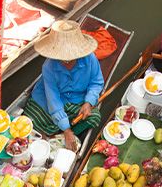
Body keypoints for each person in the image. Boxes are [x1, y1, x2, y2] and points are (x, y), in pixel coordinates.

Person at [23, 20, 104, 151]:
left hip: (76, 99)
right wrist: (66, 129)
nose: (66, 62)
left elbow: (96, 82)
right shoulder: (49, 66)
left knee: (94, 117)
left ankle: (61, 135)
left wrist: (88, 102)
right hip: (48, 99)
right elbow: (53, 100)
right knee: (29, 119)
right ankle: (64, 133)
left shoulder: (90, 59)